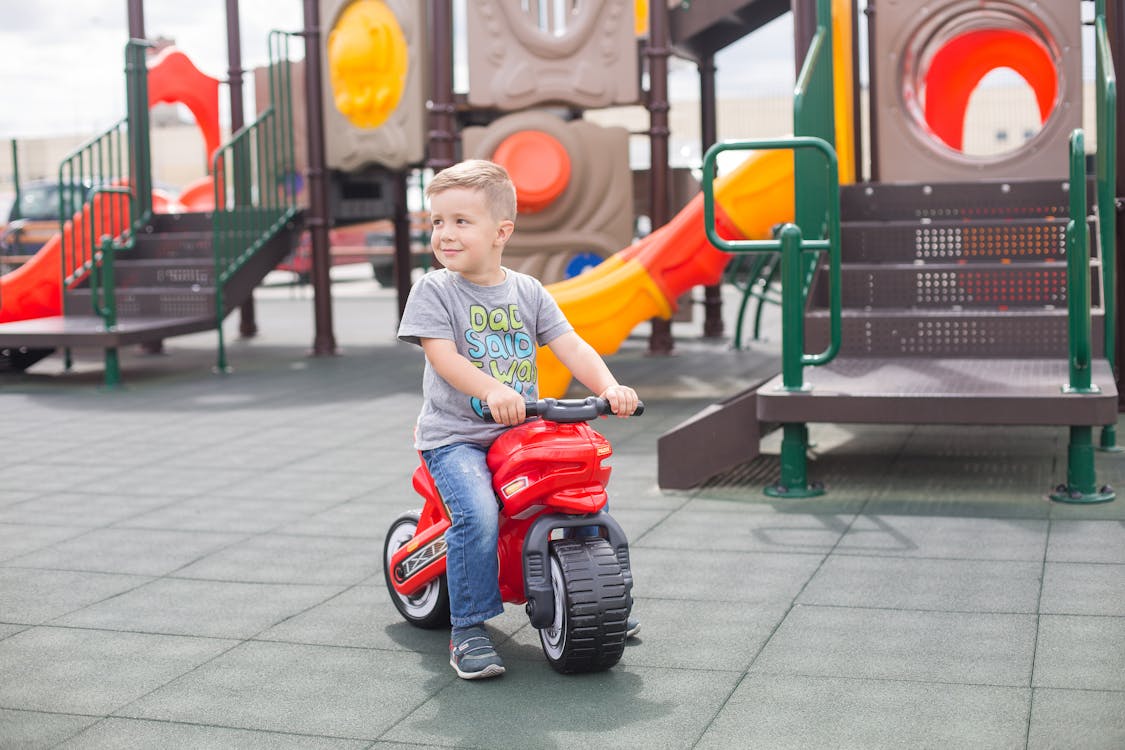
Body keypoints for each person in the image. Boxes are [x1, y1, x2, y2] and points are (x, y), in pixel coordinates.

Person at [397, 159, 640, 680]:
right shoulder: (435, 291)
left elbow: (571, 345)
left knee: (571, 490)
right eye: (438, 221)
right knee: (479, 514)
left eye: (462, 221)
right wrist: (493, 389)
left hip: (519, 433)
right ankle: (467, 630)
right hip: (456, 437)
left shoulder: (527, 291)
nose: (446, 233)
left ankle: (596, 594)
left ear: (501, 231)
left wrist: (609, 387)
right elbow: (444, 357)